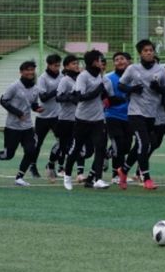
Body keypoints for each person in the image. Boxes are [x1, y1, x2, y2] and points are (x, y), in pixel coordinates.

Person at [117, 39, 165, 190]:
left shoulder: (160, 70)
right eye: (146, 50)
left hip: (151, 113)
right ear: (140, 53)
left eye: (151, 50)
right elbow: (121, 85)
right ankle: (146, 177)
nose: (149, 53)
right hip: (135, 112)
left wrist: (158, 88)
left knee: (140, 145)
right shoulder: (133, 68)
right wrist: (131, 89)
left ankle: (124, 170)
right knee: (144, 143)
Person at [63, 50, 118, 190]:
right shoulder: (83, 76)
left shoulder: (101, 77)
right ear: (94, 62)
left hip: (98, 119)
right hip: (82, 119)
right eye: (100, 60)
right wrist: (98, 90)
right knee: (75, 149)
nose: (102, 63)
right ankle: (67, 175)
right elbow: (81, 97)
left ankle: (98, 179)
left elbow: (107, 97)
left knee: (100, 148)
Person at [0, 61, 43, 186]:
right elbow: (3, 101)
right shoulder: (14, 86)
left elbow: (33, 104)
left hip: (27, 127)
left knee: (31, 150)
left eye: (32, 70)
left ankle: (19, 177)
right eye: (27, 70)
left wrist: (37, 108)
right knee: (8, 155)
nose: (30, 72)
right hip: (12, 127)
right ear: (21, 72)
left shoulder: (35, 88)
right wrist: (18, 113)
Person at [105, 52, 133, 189]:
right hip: (112, 116)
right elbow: (104, 98)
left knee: (126, 146)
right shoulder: (108, 78)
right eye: (116, 60)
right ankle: (116, 174)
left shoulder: (134, 77)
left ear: (129, 61)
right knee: (118, 144)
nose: (119, 61)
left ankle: (106, 154)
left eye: (122, 59)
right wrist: (112, 101)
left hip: (130, 116)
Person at [33, 54, 64, 180]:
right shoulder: (43, 78)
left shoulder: (62, 77)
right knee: (37, 144)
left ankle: (51, 164)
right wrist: (57, 90)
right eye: (55, 65)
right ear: (49, 65)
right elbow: (43, 97)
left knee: (62, 142)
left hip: (57, 116)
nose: (57, 68)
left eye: (58, 65)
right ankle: (32, 166)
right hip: (43, 116)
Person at [54, 55, 83, 182]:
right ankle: (56, 166)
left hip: (79, 118)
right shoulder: (65, 80)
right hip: (65, 119)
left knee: (78, 144)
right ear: (66, 67)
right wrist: (70, 96)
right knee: (64, 146)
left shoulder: (80, 79)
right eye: (73, 63)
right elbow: (58, 97)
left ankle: (80, 172)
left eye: (77, 63)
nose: (76, 65)